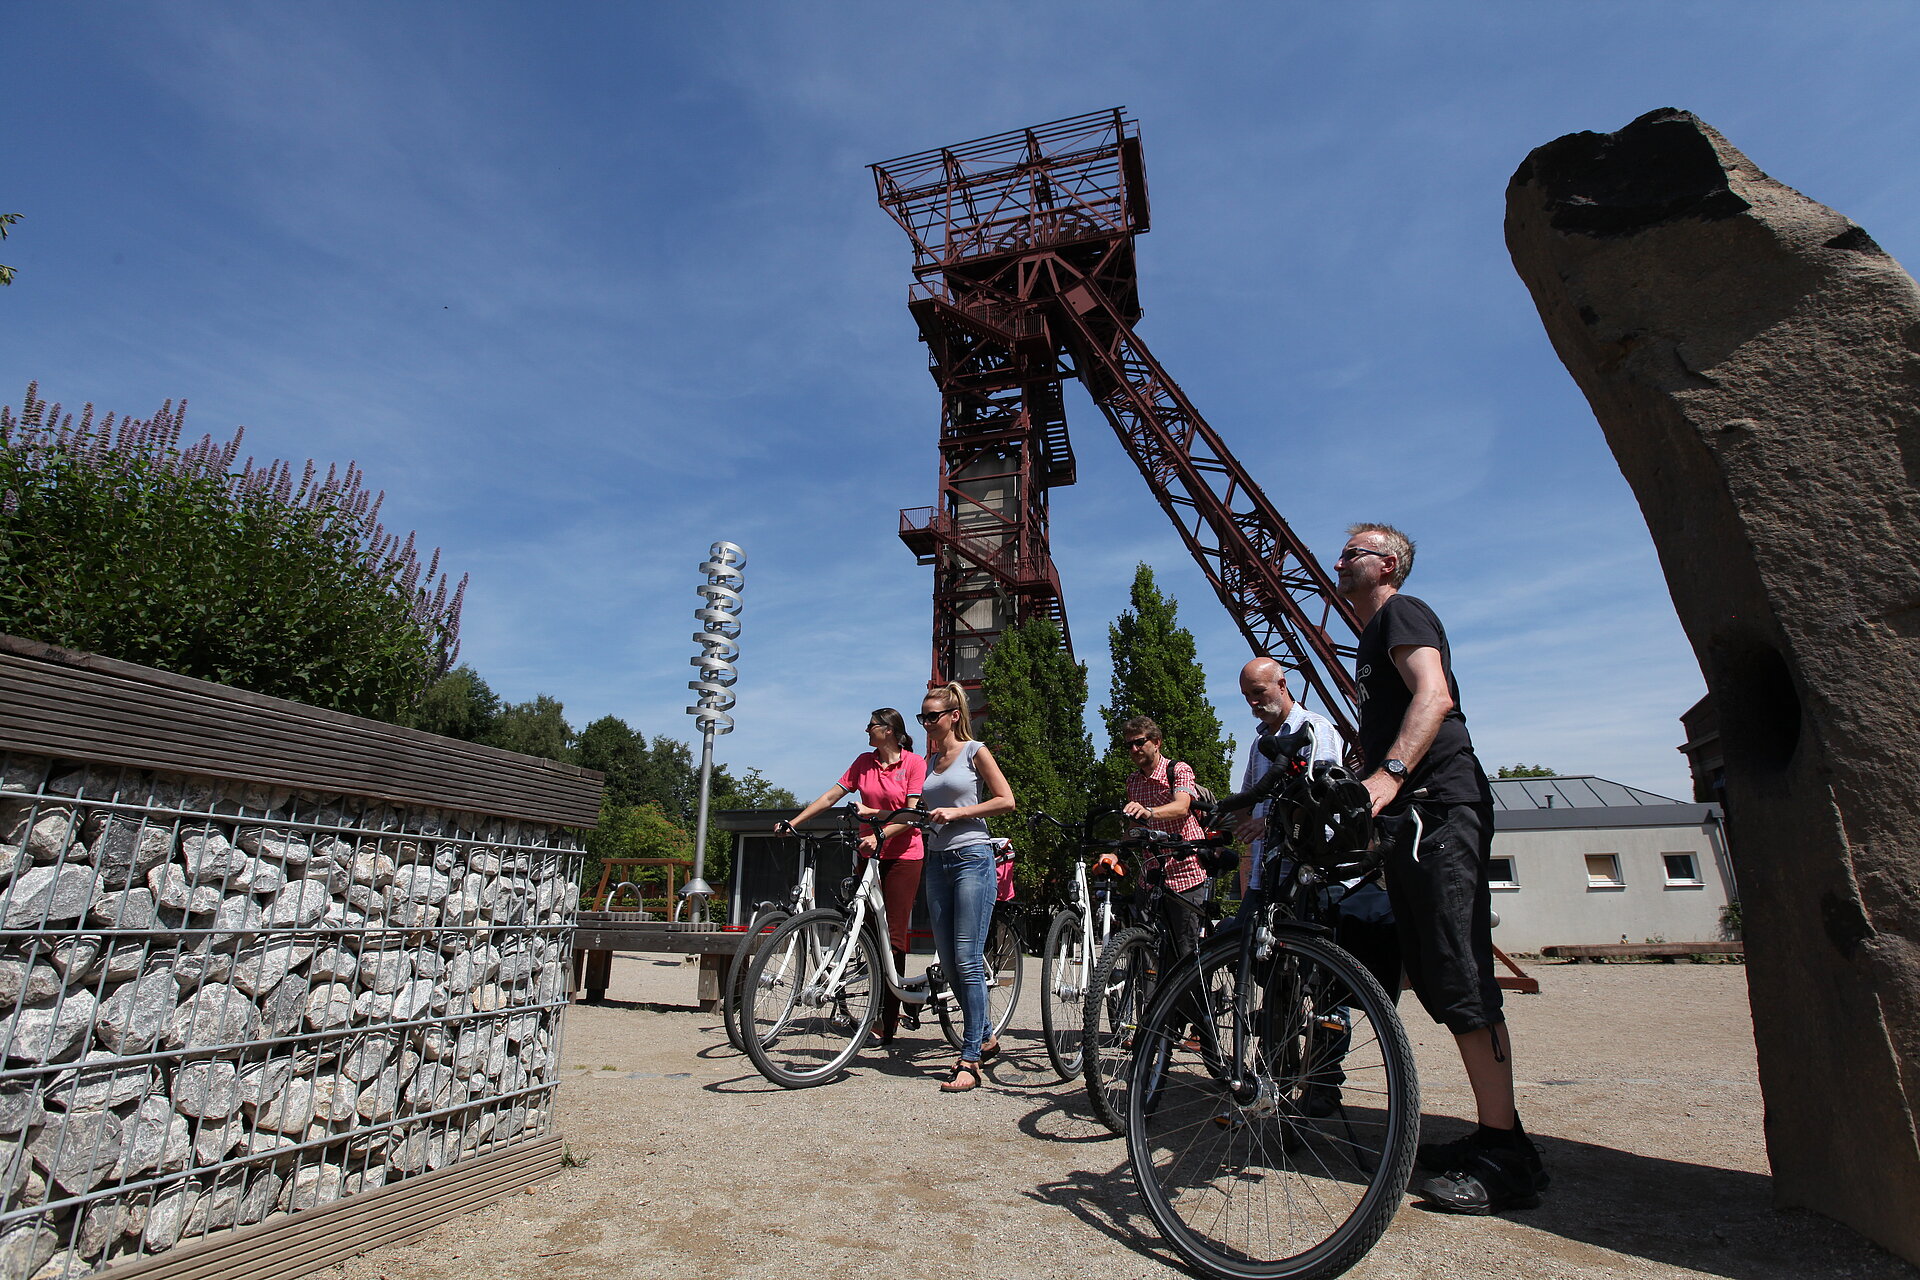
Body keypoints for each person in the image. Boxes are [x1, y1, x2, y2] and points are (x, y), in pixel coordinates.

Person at [1334, 522, 1548, 1213]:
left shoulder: (1402, 610)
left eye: (1352, 552)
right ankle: (1496, 1132)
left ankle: (1508, 1160)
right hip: (1412, 815)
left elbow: (1435, 695)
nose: (1340, 560)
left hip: (1439, 804)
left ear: (1388, 563)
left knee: (1458, 971)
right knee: (1433, 972)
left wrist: (1390, 775)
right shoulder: (1371, 637)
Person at [1234, 655, 1400, 1117]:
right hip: (1274, 878)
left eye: (1260, 693)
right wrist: (1239, 819)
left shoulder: (1316, 729)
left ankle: (1325, 1080)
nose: (1253, 703)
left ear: (1283, 684)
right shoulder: (1260, 743)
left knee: (1326, 984)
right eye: (1247, 696)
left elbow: (1322, 801)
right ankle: (1275, 1077)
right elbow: (1253, 799)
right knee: (1273, 979)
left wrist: (1267, 824)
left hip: (1319, 875)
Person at [776, 708, 926, 1046]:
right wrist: (794, 822)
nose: (866, 730)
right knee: (864, 930)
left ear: (889, 730)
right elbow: (832, 795)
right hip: (869, 854)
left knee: (894, 938)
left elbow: (912, 815)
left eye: (871, 726)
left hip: (903, 856)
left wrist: (882, 834)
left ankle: (886, 1021)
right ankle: (869, 1005)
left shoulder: (913, 764)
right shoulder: (863, 761)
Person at [916, 682, 1016, 1093]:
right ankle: (987, 1034)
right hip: (936, 861)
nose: (926, 723)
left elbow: (1006, 799)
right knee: (948, 957)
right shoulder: (929, 760)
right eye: (922, 717)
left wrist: (959, 814)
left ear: (953, 715)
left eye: (932, 716)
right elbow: (922, 807)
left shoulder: (976, 751)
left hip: (972, 858)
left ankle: (970, 1058)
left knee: (967, 956)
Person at [1119, 715, 1210, 965]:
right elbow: (1135, 826)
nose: (1134, 749)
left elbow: (1182, 807)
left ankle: (1191, 1004)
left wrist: (1149, 812)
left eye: (1139, 742)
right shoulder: (1133, 781)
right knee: (1144, 951)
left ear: (1156, 742)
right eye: (1129, 745)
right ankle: (1147, 1003)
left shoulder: (1177, 770)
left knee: (1184, 952)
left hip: (1184, 874)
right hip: (1151, 877)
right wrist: (1117, 854)